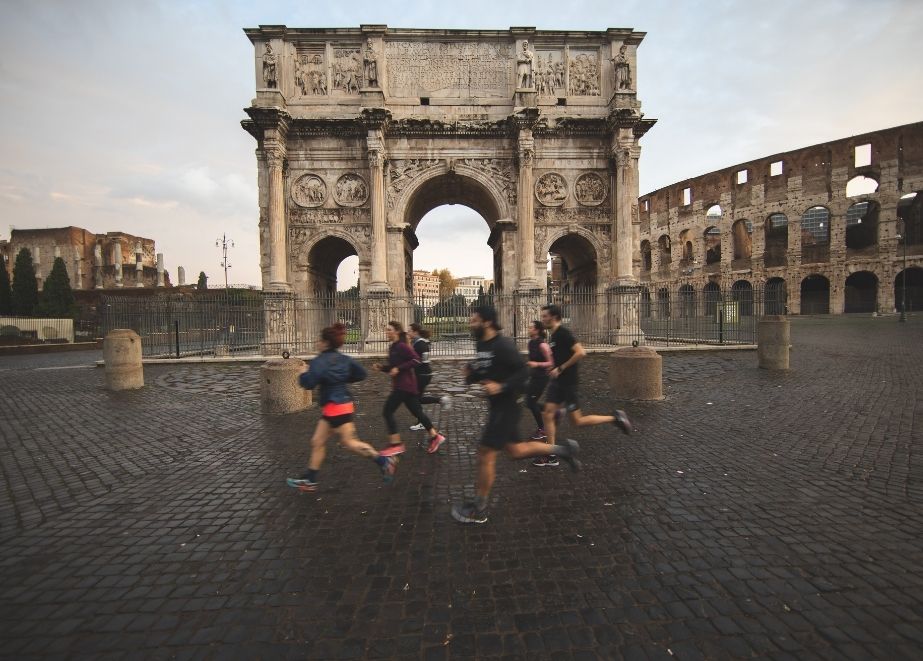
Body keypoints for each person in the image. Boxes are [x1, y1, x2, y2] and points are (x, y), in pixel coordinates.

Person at [451, 307, 581, 525]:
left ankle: (478, 508)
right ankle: (563, 450)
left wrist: (501, 387)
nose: (469, 323)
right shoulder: (481, 343)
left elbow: (523, 373)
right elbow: (485, 371)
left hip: (508, 405)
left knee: (485, 452)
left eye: (474, 320)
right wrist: (471, 375)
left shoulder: (503, 345)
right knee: (516, 450)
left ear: (487, 322)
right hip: (498, 405)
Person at [286, 323, 397, 492]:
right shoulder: (344, 359)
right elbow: (361, 374)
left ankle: (384, 461)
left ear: (325, 342)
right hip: (341, 404)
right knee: (317, 441)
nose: (317, 342)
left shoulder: (319, 361)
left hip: (334, 407)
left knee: (350, 442)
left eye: (319, 339)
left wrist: (303, 372)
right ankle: (310, 479)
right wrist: (342, 379)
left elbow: (307, 383)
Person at [535, 304, 632, 468]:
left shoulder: (564, 334)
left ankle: (616, 418)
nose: (542, 319)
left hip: (568, 383)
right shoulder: (554, 335)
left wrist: (561, 368)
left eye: (545, 316)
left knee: (578, 421)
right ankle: (551, 454)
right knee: (547, 414)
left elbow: (581, 352)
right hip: (558, 382)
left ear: (554, 317)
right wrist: (554, 367)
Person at [375, 321, 447, 455]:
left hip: (404, 386)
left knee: (387, 412)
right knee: (417, 412)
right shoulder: (393, 347)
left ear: (396, 331)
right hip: (405, 386)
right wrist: (383, 368)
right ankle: (435, 436)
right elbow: (394, 367)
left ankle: (396, 444)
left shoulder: (402, 346)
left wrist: (398, 368)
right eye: (386, 330)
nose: (386, 332)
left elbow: (416, 360)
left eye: (389, 330)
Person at [407, 322, 451, 433]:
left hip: (422, 375)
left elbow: (421, 360)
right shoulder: (418, 342)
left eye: (409, 331)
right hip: (423, 374)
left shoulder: (420, 344)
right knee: (417, 399)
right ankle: (439, 401)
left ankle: (439, 401)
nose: (408, 333)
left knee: (415, 400)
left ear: (415, 332)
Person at [524, 320, 554, 441]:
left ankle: (542, 429)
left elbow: (551, 363)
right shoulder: (530, 342)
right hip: (534, 376)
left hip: (542, 377)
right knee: (528, 402)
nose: (528, 329)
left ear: (536, 330)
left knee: (531, 402)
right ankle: (552, 412)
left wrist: (536, 364)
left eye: (530, 328)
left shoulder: (543, 345)